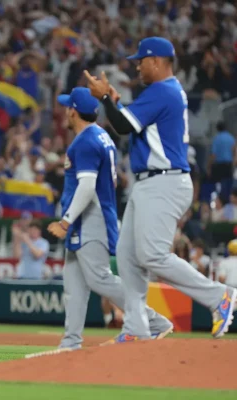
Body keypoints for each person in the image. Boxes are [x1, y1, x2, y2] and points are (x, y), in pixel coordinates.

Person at [84, 36, 236, 342]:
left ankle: (219, 296)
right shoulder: (165, 91)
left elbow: (122, 126)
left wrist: (105, 99)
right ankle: (138, 327)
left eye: (141, 61)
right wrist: (114, 103)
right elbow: (128, 123)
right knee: (127, 256)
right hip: (152, 182)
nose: (137, 66)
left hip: (163, 181)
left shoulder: (162, 90)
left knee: (152, 255)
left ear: (156, 61)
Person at [47, 87, 172, 350]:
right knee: (74, 284)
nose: (65, 112)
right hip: (89, 217)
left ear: (73, 112)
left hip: (90, 217)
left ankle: (153, 321)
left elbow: (87, 186)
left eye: (67, 107)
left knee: (99, 278)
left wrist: (66, 221)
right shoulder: (100, 135)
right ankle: (70, 342)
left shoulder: (85, 141)